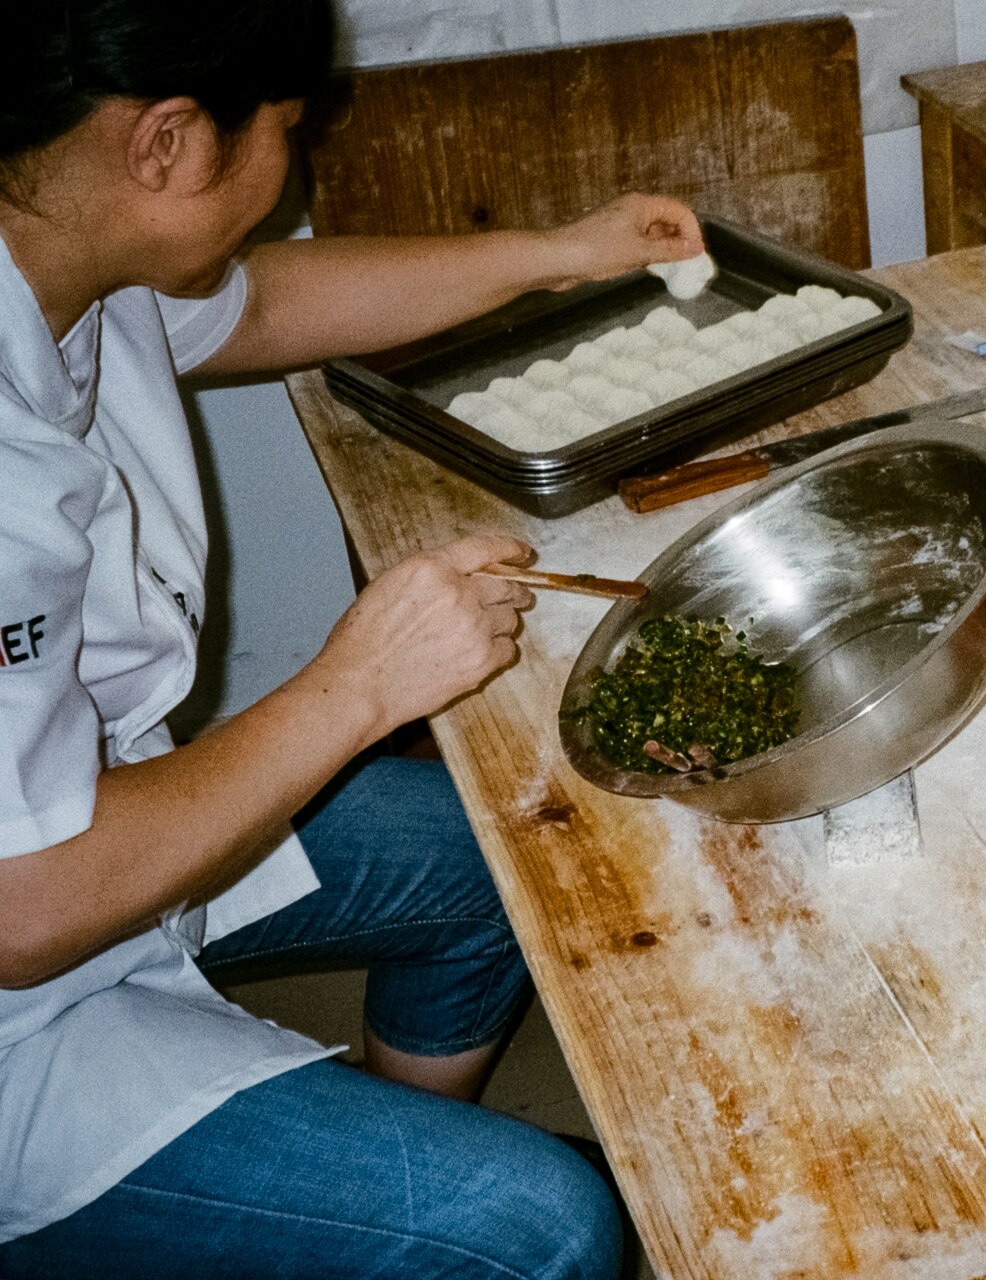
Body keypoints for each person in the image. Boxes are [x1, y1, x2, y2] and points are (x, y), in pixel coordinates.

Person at [0, 3, 706, 1275]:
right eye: (283, 130)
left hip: (86, 824)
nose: (289, 171)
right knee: (547, 1227)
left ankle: (368, 1217)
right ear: (164, 142)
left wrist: (554, 254)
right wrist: (357, 687)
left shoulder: (60, 246)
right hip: (25, 993)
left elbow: (262, 301)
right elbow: (27, 903)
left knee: (513, 850)